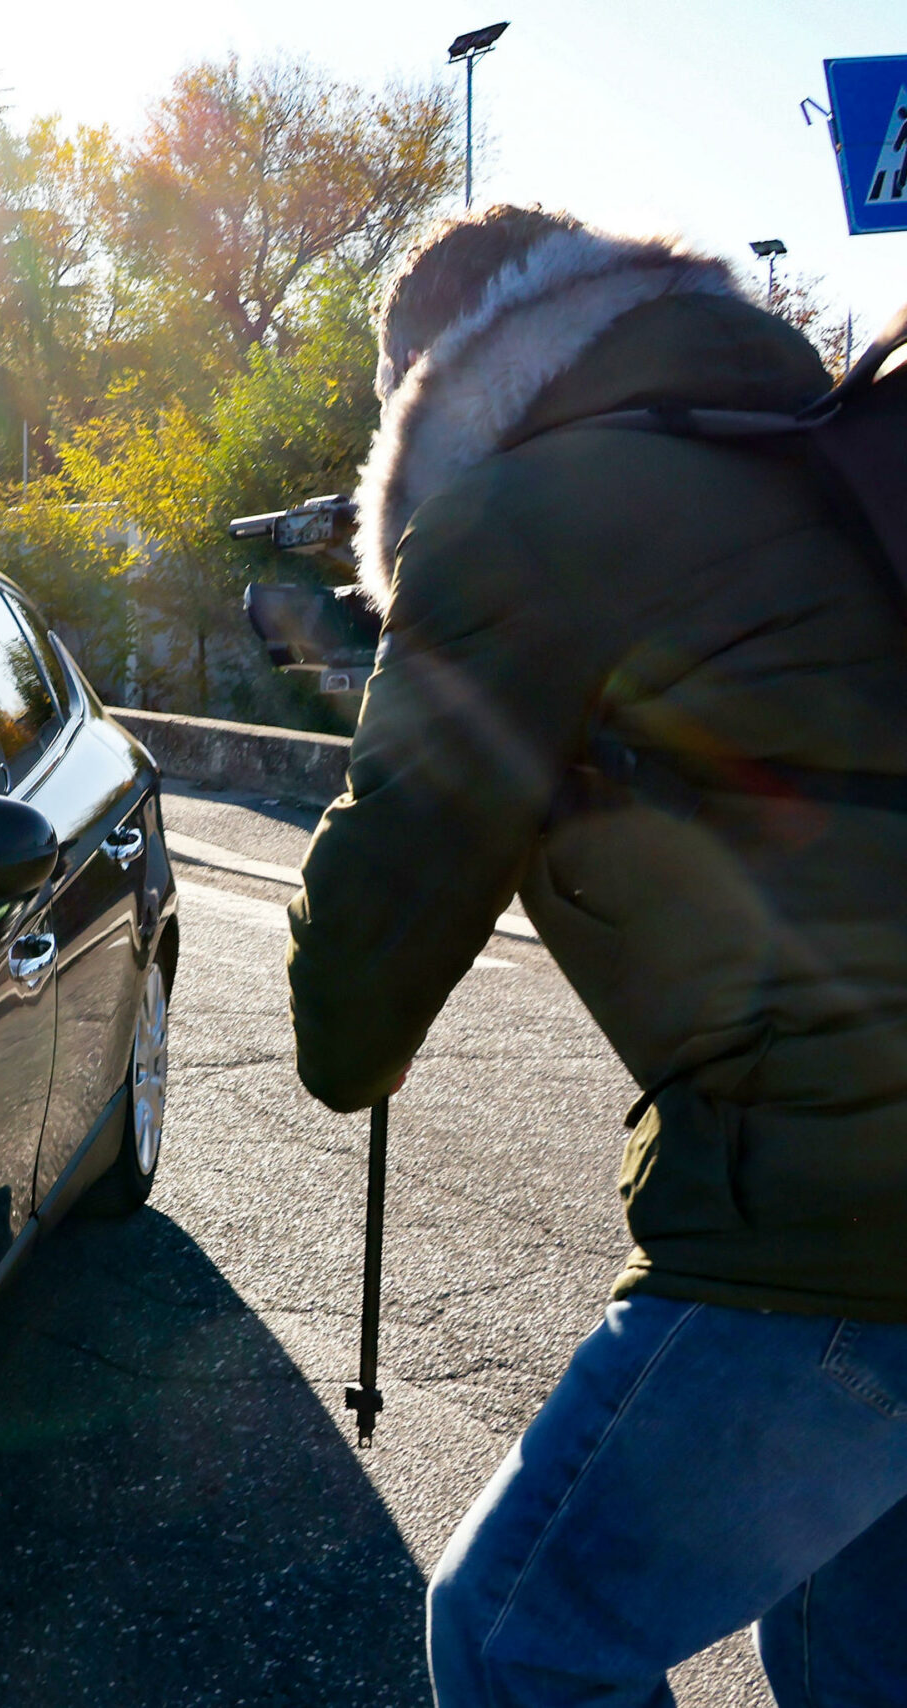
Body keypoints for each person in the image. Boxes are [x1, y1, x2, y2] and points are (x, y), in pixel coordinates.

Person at [285, 205, 907, 1703]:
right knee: (843, 1651)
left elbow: (345, 1021)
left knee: (514, 1639)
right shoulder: (800, 450)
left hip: (843, 1225)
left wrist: (373, 733)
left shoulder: (513, 521)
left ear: (423, 385)